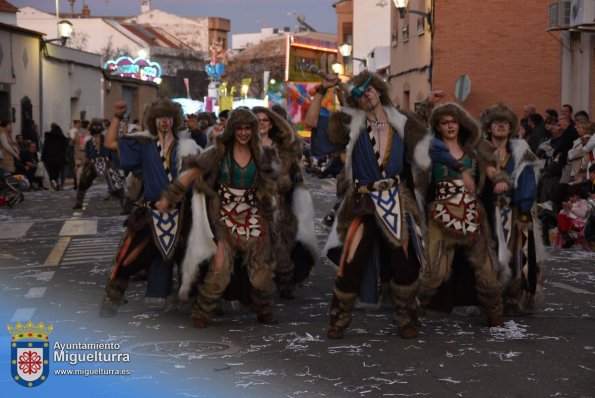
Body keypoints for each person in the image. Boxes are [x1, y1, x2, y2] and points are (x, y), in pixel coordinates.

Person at [319, 71, 431, 339]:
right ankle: (338, 319)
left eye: (370, 90)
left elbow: (428, 150)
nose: (367, 95)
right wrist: (321, 92)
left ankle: (406, 317)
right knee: (352, 261)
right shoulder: (350, 123)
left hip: (396, 200)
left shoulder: (402, 123)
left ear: (379, 91)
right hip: (363, 203)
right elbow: (317, 129)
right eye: (360, 92)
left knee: (404, 263)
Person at [156, 107, 279, 328]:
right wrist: (169, 198)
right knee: (220, 267)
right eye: (239, 128)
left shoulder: (264, 154)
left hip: (254, 216)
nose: (243, 133)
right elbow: (189, 175)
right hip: (224, 217)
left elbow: (277, 184)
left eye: (247, 128)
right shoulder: (217, 152)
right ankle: (202, 310)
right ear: (232, 129)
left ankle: (264, 309)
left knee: (261, 273)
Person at [99, 99, 201, 317]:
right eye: (159, 117)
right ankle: (112, 298)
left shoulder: (187, 149)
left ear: (174, 120)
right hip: (150, 212)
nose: (164, 122)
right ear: (153, 121)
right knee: (129, 256)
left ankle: (201, 303)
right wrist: (117, 117)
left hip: (182, 213)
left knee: (193, 256)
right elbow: (109, 143)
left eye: (168, 117)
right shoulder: (144, 145)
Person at [418, 102, 508, 327]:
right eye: (444, 122)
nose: (450, 126)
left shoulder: (474, 151)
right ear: (438, 126)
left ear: (460, 124)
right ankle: (412, 309)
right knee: (435, 270)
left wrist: (499, 179)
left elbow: (491, 171)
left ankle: (493, 311)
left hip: (472, 212)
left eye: (453, 121)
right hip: (440, 213)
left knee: (487, 267)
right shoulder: (431, 151)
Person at [480, 103, 544, 314]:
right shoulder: (479, 151)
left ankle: (512, 299)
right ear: (489, 128)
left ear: (511, 128)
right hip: (486, 212)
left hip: (514, 211)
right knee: (486, 256)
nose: (501, 126)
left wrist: (523, 208)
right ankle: (487, 298)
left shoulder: (520, 151)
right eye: (496, 123)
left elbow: (527, 180)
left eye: (505, 123)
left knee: (518, 256)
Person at [253, 105, 319, 300]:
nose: (261, 124)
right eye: (257, 120)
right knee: (256, 249)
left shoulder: (283, 150)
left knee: (281, 249)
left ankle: (285, 282)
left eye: (265, 120)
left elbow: (291, 178)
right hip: (252, 205)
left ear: (272, 123)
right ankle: (258, 287)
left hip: (279, 207)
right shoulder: (247, 144)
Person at [72, 118, 125, 209]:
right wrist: (80, 164)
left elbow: (114, 152)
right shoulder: (89, 143)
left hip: (107, 162)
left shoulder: (107, 140)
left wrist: (117, 163)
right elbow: (88, 157)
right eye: (94, 126)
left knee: (117, 181)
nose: (96, 127)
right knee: (83, 181)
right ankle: (78, 203)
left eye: (98, 126)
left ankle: (125, 204)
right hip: (93, 164)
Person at [41, 123, 68, 190]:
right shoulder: (62, 138)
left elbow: (45, 147)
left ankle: (52, 181)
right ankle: (56, 182)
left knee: (51, 172)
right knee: (57, 172)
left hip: (49, 158)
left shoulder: (48, 137)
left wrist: (43, 157)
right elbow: (65, 147)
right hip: (59, 159)